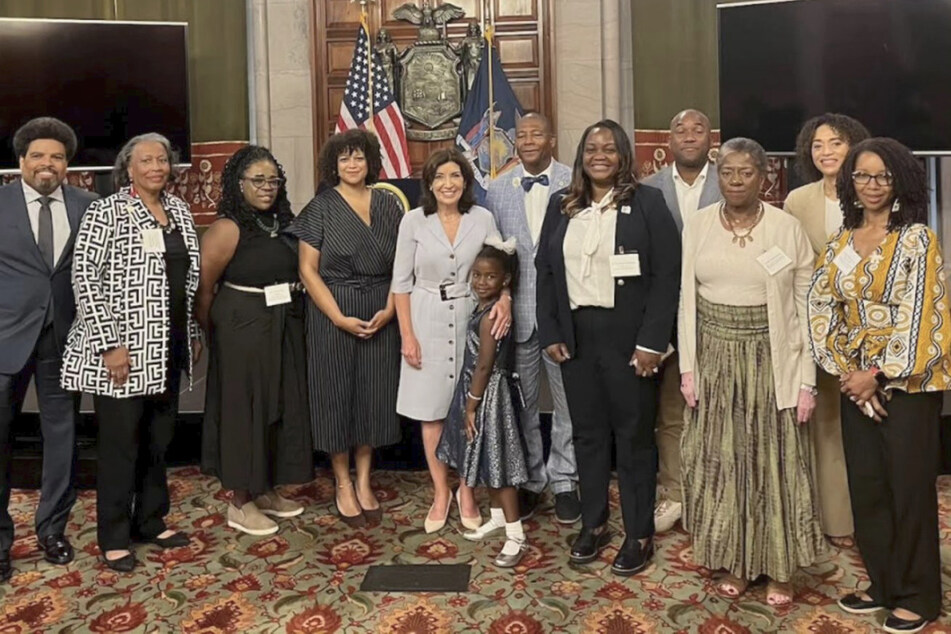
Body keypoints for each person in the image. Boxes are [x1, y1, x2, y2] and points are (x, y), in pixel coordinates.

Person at [808, 138, 951, 634]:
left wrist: (878, 375)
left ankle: (919, 595)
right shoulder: (841, 242)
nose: (872, 186)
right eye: (863, 176)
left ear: (902, 182)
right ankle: (884, 582)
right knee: (867, 486)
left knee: (908, 488)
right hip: (854, 383)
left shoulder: (917, 240)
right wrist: (846, 372)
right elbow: (822, 305)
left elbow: (923, 316)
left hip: (906, 385)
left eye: (883, 177)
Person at [679, 137, 824, 605]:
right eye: (727, 172)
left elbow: (805, 306)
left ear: (765, 177)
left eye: (746, 173)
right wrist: (687, 369)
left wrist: (806, 380)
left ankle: (778, 569)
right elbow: (686, 302)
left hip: (771, 358)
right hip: (715, 359)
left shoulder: (786, 229)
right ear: (717, 176)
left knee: (773, 464)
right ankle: (736, 563)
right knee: (725, 462)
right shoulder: (699, 225)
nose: (736, 181)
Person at [535, 119, 680, 576]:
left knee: (634, 439)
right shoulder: (563, 206)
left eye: (609, 148)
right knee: (587, 434)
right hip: (577, 337)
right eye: (591, 147)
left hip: (630, 339)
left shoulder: (648, 203)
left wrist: (652, 343)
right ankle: (594, 524)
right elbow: (545, 273)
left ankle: (639, 533)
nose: (600, 155)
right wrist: (551, 332)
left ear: (622, 156)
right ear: (581, 156)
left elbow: (666, 277)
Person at [61, 133, 201, 572]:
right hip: (125, 350)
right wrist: (109, 344)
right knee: (122, 445)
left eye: (163, 159)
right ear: (129, 167)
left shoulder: (177, 211)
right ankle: (114, 536)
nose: (157, 167)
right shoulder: (108, 210)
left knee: (158, 441)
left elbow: (188, 279)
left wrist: (192, 329)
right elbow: (86, 278)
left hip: (169, 347)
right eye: (147, 160)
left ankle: (151, 520)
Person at [392, 148, 511, 533]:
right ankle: (441, 490)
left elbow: (501, 266)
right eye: (440, 177)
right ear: (429, 183)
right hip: (424, 317)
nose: (448, 184)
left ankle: (467, 491)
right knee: (432, 411)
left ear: (466, 181)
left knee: (466, 409)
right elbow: (401, 283)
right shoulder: (413, 221)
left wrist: (505, 298)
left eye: (455, 176)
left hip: (470, 318)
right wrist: (407, 335)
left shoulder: (483, 218)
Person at [197, 146, 313, 536]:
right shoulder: (227, 228)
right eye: (257, 180)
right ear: (238, 184)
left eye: (273, 180)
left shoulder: (282, 223)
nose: (266, 187)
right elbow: (205, 290)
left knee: (277, 405)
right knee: (244, 412)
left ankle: (265, 490)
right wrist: (214, 334)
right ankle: (240, 502)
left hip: (282, 324)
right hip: (242, 328)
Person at [0, 117, 97, 582]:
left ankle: (52, 529)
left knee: (62, 441)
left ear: (67, 164)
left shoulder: (89, 206)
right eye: (38, 155)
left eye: (57, 157)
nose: (47, 164)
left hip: (65, 341)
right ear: (21, 161)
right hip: (4, 341)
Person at [291, 130, 403, 528]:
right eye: (344, 160)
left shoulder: (390, 205)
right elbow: (307, 270)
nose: (352, 165)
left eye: (358, 158)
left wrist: (391, 308)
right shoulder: (320, 207)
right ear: (332, 166)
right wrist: (337, 316)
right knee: (335, 396)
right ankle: (342, 482)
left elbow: (403, 264)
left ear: (371, 161)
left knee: (373, 395)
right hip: (332, 313)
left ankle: (365, 480)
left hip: (381, 311)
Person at [485, 111, 579, 524]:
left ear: (551, 139)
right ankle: (532, 481)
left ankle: (565, 481)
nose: (527, 140)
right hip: (519, 314)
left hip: (563, 316)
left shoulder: (574, 184)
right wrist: (503, 295)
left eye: (536, 134)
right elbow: (496, 257)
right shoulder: (496, 188)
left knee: (567, 405)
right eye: (521, 135)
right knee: (522, 407)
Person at [784, 113, 870, 550]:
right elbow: (789, 259)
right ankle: (833, 519)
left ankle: (872, 513)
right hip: (816, 325)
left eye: (835, 143)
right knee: (826, 423)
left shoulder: (874, 190)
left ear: (854, 144)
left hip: (870, 327)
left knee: (869, 419)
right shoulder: (797, 200)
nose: (826, 152)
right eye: (818, 145)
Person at [641, 108, 721, 533]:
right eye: (680, 130)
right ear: (668, 140)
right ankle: (675, 494)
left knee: (717, 411)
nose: (689, 136)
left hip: (719, 316)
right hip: (667, 319)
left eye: (698, 129)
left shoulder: (731, 182)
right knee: (671, 413)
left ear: (711, 138)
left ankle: (714, 495)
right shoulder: (647, 189)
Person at [436, 240, 529, 567]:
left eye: (489, 277)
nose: (480, 282)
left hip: (489, 394)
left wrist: (472, 405)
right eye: (476, 275)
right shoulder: (485, 307)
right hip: (479, 390)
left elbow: (485, 365)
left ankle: (516, 534)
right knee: (486, 459)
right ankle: (498, 517)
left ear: (505, 280)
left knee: (499, 466)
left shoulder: (492, 315)